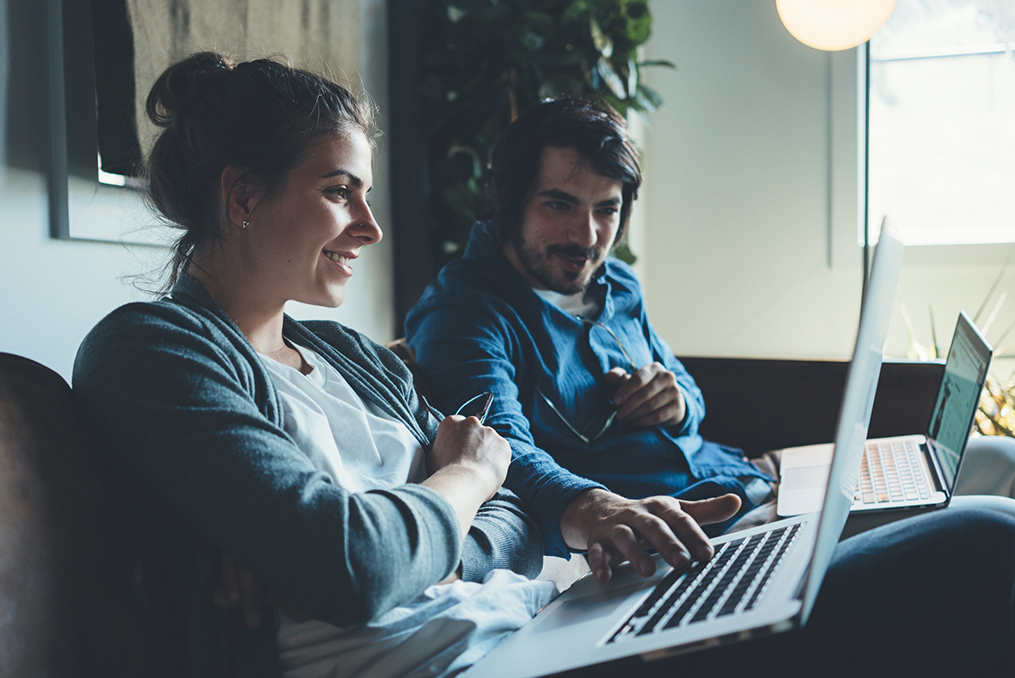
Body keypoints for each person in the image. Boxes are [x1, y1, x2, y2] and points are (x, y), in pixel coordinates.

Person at [72, 53, 568, 678]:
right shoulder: (149, 352)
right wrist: (468, 477)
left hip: (524, 621)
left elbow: (519, 520)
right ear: (244, 196)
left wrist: (392, 556)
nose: (371, 228)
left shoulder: (352, 355)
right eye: (340, 192)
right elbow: (357, 564)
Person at [404, 97, 1015, 585]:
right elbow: (499, 452)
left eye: (607, 210)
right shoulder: (464, 312)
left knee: (998, 459)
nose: (586, 235)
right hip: (704, 526)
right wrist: (598, 508)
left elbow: (690, 392)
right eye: (559, 204)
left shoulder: (617, 283)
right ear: (509, 203)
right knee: (991, 528)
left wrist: (678, 402)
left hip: (753, 473)